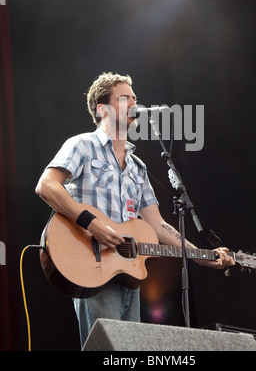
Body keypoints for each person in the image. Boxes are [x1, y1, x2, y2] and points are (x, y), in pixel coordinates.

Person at [35, 72, 234, 347]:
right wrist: (91, 223)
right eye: (124, 98)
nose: (134, 104)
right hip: (92, 267)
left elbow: (157, 224)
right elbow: (46, 186)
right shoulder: (82, 145)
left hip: (128, 275)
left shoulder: (138, 167)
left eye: (135, 98)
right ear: (102, 109)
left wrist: (198, 255)